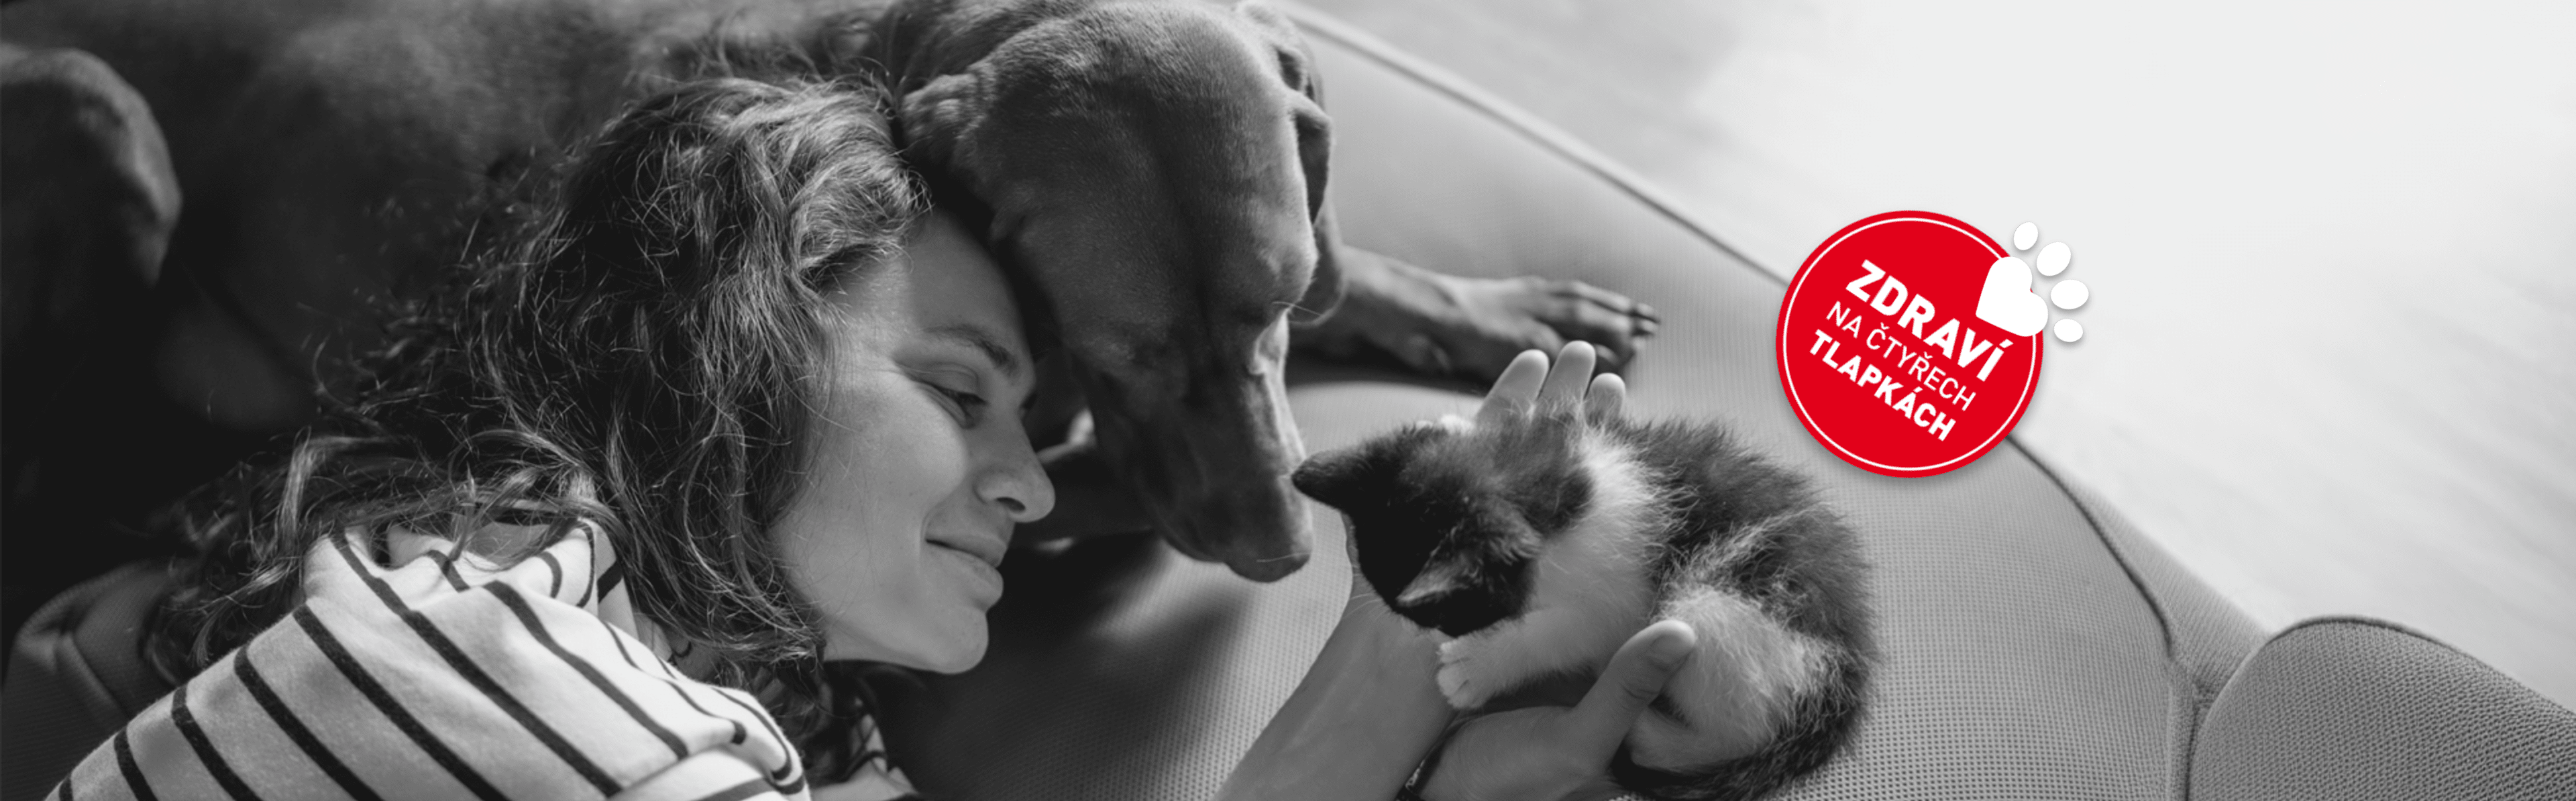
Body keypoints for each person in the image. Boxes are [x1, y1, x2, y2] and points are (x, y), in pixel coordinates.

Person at [43, 74, 1689, 801]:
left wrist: (1409, 719)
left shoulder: (778, 726)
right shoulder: (474, 646)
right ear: (712, 348)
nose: (1033, 484)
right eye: (958, 392)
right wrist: (1377, 695)